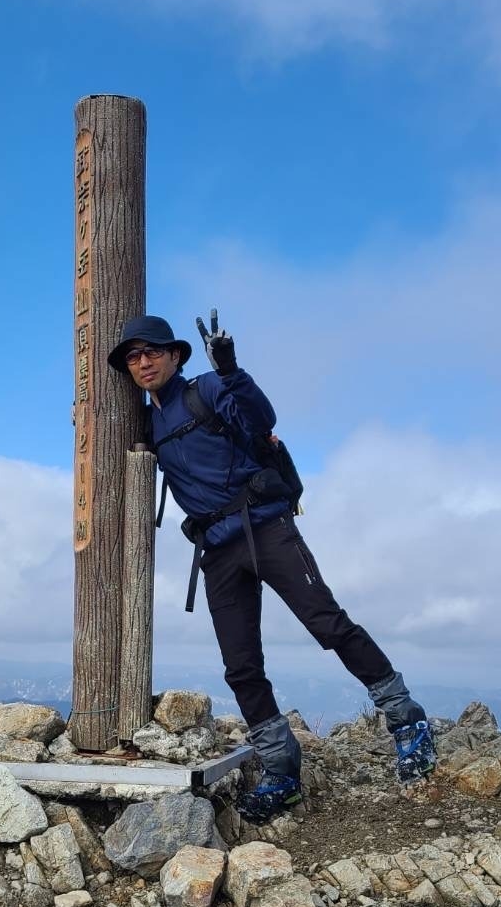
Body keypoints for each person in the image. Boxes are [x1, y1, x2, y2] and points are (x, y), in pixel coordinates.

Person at [107, 312, 437, 821]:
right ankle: (281, 769)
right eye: (133, 357)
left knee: (325, 621)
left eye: (152, 352)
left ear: (175, 355)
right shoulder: (147, 422)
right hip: (216, 548)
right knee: (241, 665)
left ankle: (406, 721)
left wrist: (233, 369)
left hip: (265, 528)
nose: (143, 362)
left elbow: (262, 421)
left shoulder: (212, 389)